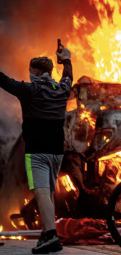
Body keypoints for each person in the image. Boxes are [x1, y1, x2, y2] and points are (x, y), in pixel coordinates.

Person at [0, 46, 72, 254]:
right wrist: (66, 60)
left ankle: (51, 236)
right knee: (48, 193)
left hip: (37, 152)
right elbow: (68, 76)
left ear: (36, 73)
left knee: (41, 192)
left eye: (31, 71)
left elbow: (4, 81)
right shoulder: (62, 89)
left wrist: (66, 61)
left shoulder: (29, 90)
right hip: (57, 152)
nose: (29, 75)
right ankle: (45, 235)